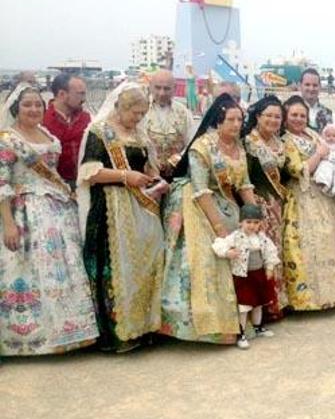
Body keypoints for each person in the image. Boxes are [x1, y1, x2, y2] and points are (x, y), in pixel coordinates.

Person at [0, 84, 99, 356]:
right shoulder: (8, 139)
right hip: (24, 211)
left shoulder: (47, 135)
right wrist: (8, 222)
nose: (33, 109)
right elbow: (2, 183)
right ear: (15, 109)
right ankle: (28, 340)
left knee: (63, 269)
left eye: (38, 105)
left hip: (56, 209)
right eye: (27, 105)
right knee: (24, 271)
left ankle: (69, 333)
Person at [159, 93, 257, 345]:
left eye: (240, 119)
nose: (237, 125)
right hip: (198, 205)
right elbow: (201, 189)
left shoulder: (238, 147)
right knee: (205, 258)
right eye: (231, 120)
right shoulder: (201, 146)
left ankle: (242, 321)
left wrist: (256, 215)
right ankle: (201, 326)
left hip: (227, 203)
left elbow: (244, 183)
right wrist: (218, 226)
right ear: (218, 121)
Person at [77, 83, 166, 352]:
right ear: (120, 107)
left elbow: (149, 167)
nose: (138, 119)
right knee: (118, 269)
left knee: (144, 266)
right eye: (135, 113)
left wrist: (157, 181)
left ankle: (144, 326)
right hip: (111, 208)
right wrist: (125, 177)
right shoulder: (99, 132)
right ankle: (119, 333)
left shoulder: (140, 135)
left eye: (142, 114)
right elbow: (89, 172)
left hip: (142, 209)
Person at [279, 95, 335, 311]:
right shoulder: (285, 140)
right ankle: (306, 299)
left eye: (302, 115)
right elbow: (296, 169)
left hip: (322, 194)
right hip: (302, 195)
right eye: (294, 115)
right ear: (286, 117)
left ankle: (329, 295)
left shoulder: (313, 134)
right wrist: (318, 155)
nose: (298, 119)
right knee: (307, 242)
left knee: (327, 240)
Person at [242, 95, 301, 316]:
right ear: (258, 116)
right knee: (258, 254)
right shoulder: (249, 142)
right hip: (255, 204)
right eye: (269, 115)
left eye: (278, 117)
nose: (273, 120)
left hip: (278, 204)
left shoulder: (282, 143)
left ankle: (276, 302)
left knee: (275, 253)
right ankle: (258, 307)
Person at [212, 204, 280, 349]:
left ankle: (258, 327)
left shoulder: (261, 238)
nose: (252, 226)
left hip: (259, 275)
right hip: (244, 277)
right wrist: (227, 253)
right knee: (244, 306)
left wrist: (269, 266)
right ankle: (241, 334)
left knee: (259, 304)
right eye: (248, 222)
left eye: (256, 222)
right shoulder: (235, 237)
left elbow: (270, 251)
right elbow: (219, 244)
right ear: (240, 223)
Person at [145, 70, 195, 180]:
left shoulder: (183, 112)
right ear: (150, 86)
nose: (161, 93)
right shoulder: (141, 109)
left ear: (174, 88)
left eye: (166, 89)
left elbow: (192, 143)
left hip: (177, 174)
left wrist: (175, 160)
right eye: (157, 88)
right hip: (146, 174)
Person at [43, 73, 90, 186]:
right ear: (62, 94)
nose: (84, 99)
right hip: (55, 184)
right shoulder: (43, 120)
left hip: (84, 182)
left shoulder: (86, 118)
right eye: (80, 94)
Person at [300, 68, 333, 132]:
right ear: (300, 86)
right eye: (307, 85)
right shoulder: (289, 111)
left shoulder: (329, 114)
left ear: (320, 87)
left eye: (315, 85)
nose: (311, 89)